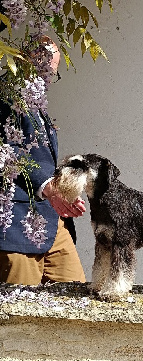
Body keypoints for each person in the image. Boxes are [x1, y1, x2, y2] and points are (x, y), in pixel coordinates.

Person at [0, 37, 87, 285]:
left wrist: (65, 188)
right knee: (20, 311)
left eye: (52, 74)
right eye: (45, 71)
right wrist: (49, 186)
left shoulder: (36, 102)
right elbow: (6, 152)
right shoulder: (5, 94)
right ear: (26, 62)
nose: (48, 80)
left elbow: (40, 160)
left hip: (51, 222)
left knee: (76, 300)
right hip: (15, 223)